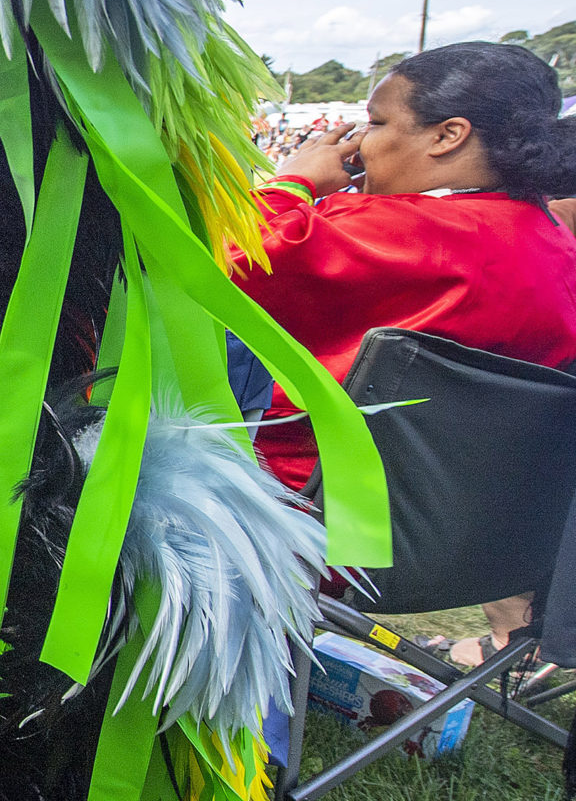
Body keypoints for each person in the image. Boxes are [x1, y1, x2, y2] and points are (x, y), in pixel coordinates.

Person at [237, 41, 576, 663]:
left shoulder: (406, 232)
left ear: (448, 135)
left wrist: (294, 181)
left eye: (378, 122)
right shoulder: (556, 243)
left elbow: (228, 261)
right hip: (493, 552)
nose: (362, 141)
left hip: (309, 529)